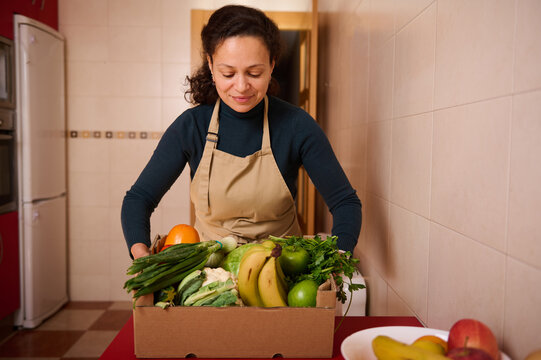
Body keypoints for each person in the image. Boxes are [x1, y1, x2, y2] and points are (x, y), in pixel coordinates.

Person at [121, 4, 362, 260]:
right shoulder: (191, 127)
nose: (241, 86)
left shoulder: (296, 125)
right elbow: (139, 198)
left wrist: (339, 256)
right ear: (211, 66)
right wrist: (140, 253)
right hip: (211, 274)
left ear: (271, 65)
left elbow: (345, 202)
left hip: (281, 269)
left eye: (254, 73)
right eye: (228, 73)